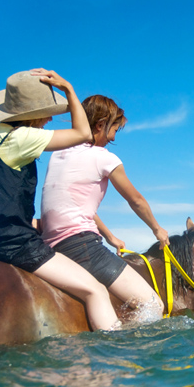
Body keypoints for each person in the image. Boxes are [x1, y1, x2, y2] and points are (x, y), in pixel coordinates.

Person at [0, 69, 120, 331]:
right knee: (96, 291)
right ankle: (115, 357)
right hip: (13, 245)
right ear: (29, 115)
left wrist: (31, 222)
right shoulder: (22, 138)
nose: (49, 118)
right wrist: (69, 89)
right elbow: (82, 133)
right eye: (46, 111)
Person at [39, 94, 168, 323]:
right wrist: (157, 229)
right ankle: (122, 351)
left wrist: (109, 236)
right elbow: (135, 200)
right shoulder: (105, 158)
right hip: (82, 247)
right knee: (153, 306)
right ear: (100, 125)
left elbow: (74, 205)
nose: (113, 137)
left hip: (49, 245)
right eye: (115, 130)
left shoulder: (59, 153)